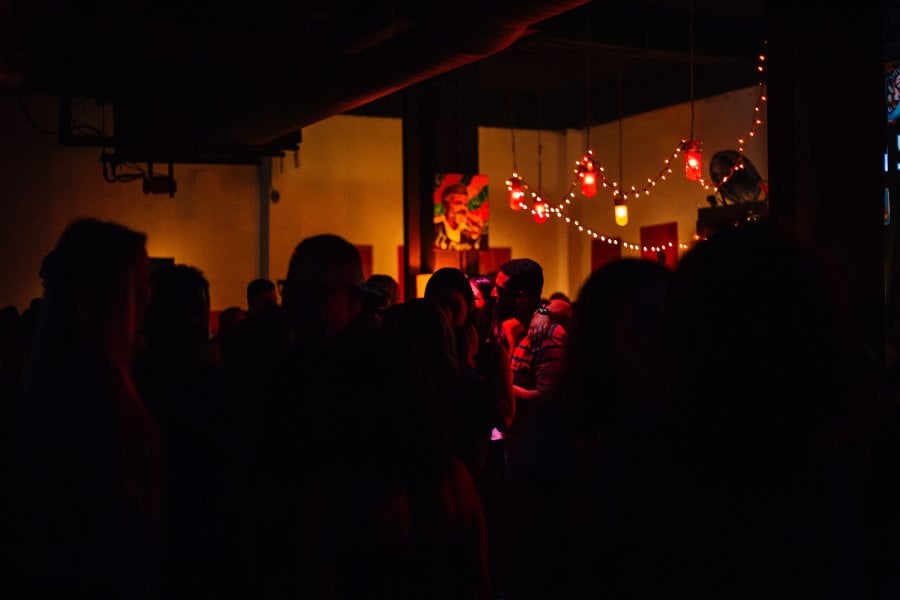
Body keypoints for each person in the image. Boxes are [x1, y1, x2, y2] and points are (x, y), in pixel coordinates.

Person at [11, 218, 162, 597]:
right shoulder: (95, 391)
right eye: (142, 278)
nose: (150, 292)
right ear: (113, 290)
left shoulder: (58, 380)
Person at [434, 183, 483, 251]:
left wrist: (476, 236)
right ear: (446, 205)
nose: (463, 208)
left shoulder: (468, 232)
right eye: (458, 203)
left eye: (465, 204)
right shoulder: (434, 228)